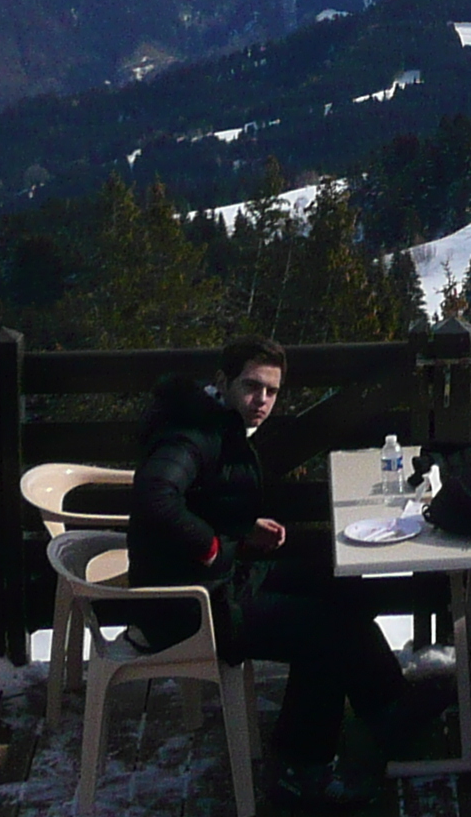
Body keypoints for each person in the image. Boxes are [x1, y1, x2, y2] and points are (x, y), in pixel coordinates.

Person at [127, 336, 444, 809]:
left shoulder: (219, 425)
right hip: (187, 605)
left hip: (219, 581)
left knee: (341, 589)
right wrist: (214, 545)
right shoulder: (192, 434)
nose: (262, 401)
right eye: (252, 387)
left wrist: (237, 529)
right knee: (326, 631)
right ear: (222, 383)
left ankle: (386, 713)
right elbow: (155, 497)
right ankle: (303, 768)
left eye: (272, 392)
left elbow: (197, 499)